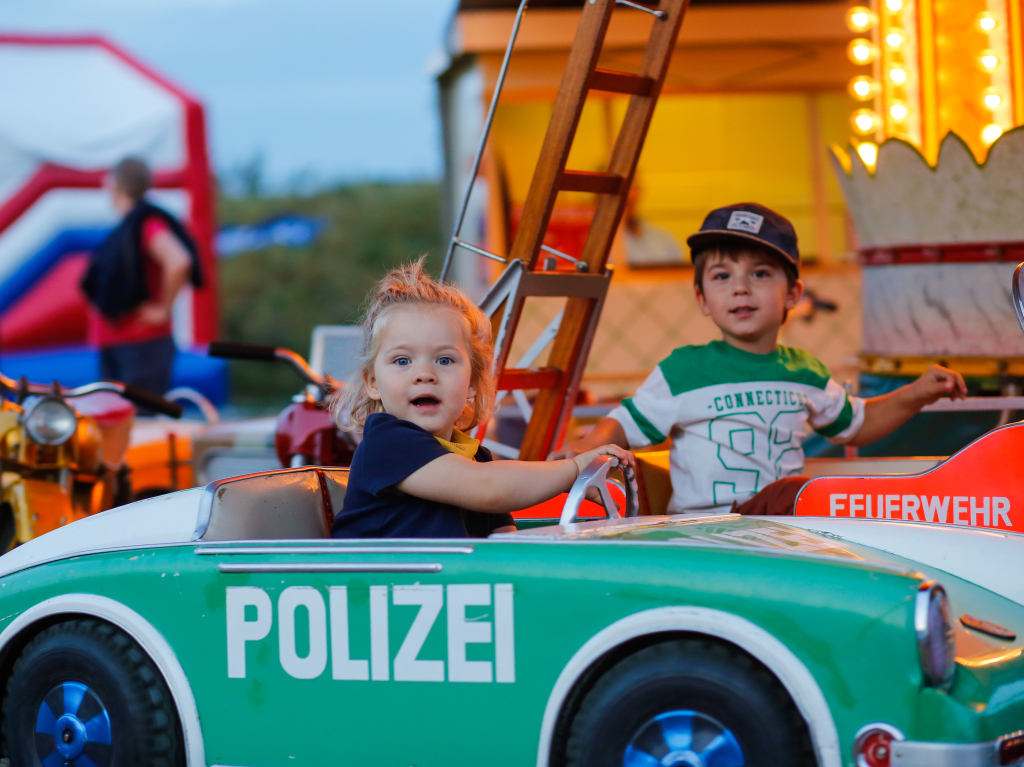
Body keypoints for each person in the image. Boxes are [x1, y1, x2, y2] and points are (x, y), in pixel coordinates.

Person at [550, 202, 967, 516]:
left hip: (778, 531)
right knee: (801, 497)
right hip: (706, 533)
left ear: (794, 294)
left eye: (761, 274)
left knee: (815, 504)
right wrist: (586, 447)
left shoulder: (806, 371)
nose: (741, 288)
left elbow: (856, 424)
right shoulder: (683, 370)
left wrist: (917, 393)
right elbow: (623, 422)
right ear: (702, 300)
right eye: (721, 276)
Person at [330, 259, 633, 539]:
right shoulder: (388, 445)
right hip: (376, 591)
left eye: (445, 361)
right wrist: (573, 470)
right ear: (372, 383)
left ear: (473, 382)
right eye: (402, 361)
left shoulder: (476, 459)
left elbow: (505, 541)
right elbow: (488, 488)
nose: (424, 374)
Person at [82, 157, 201, 400]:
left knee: (139, 423)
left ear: (114, 184)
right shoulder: (132, 225)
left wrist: (163, 310)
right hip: (122, 343)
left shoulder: (147, 223)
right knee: (115, 422)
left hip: (141, 344)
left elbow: (179, 261)